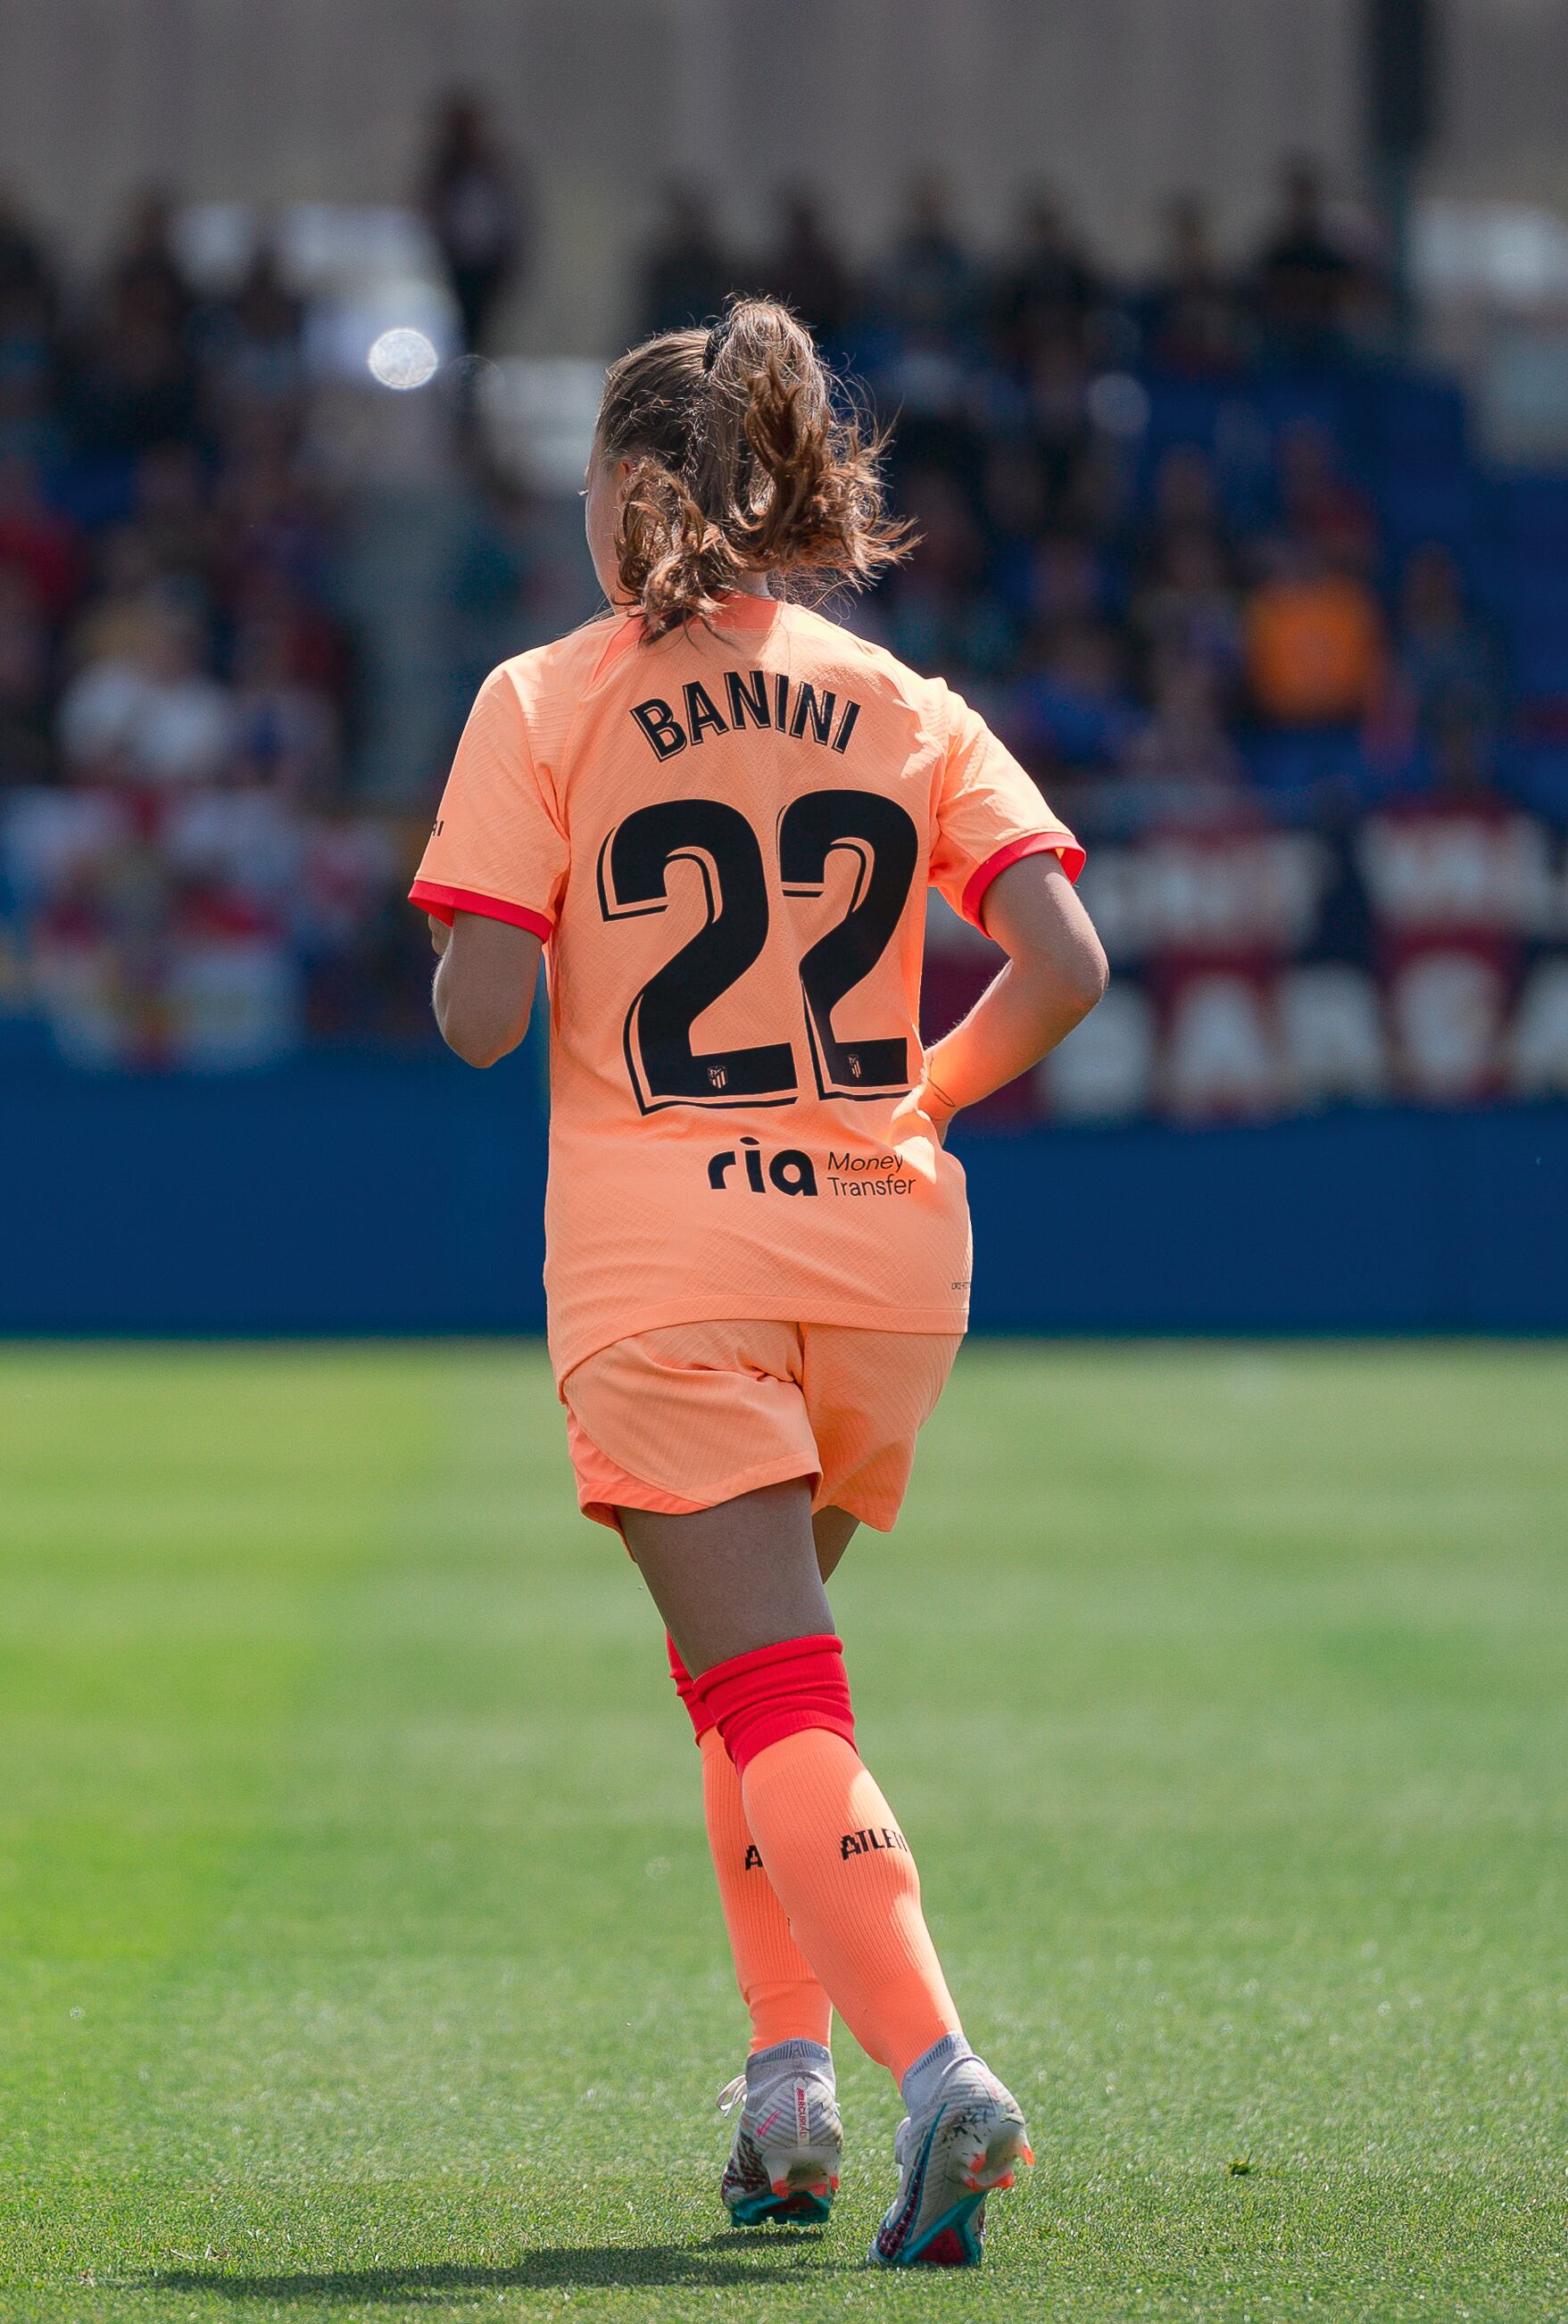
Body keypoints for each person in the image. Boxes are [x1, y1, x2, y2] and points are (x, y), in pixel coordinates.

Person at [410, 297, 1107, 2268]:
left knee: (775, 1693)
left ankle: (935, 2076)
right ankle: (782, 2083)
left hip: (669, 1254)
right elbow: (1064, 963)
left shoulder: (543, 700)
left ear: (634, 496)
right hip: (884, 1255)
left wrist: (491, 916)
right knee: (751, 1693)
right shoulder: (902, 698)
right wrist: (924, 1102)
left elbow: (479, 1022)